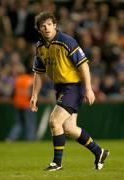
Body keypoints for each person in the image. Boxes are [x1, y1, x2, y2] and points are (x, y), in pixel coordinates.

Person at [30, 11, 109, 171]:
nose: (46, 28)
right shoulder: (40, 47)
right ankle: (99, 151)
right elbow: (38, 72)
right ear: (39, 29)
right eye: (42, 26)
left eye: (49, 24)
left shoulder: (66, 41)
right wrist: (34, 95)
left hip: (73, 86)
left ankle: (57, 163)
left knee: (54, 121)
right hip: (60, 88)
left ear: (55, 25)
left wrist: (88, 88)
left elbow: (83, 64)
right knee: (69, 129)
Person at [6, 63, 37, 141]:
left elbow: (12, 93)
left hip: (18, 105)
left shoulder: (16, 80)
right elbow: (31, 93)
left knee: (19, 124)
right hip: (27, 105)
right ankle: (30, 140)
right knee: (30, 124)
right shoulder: (29, 79)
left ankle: (10, 138)